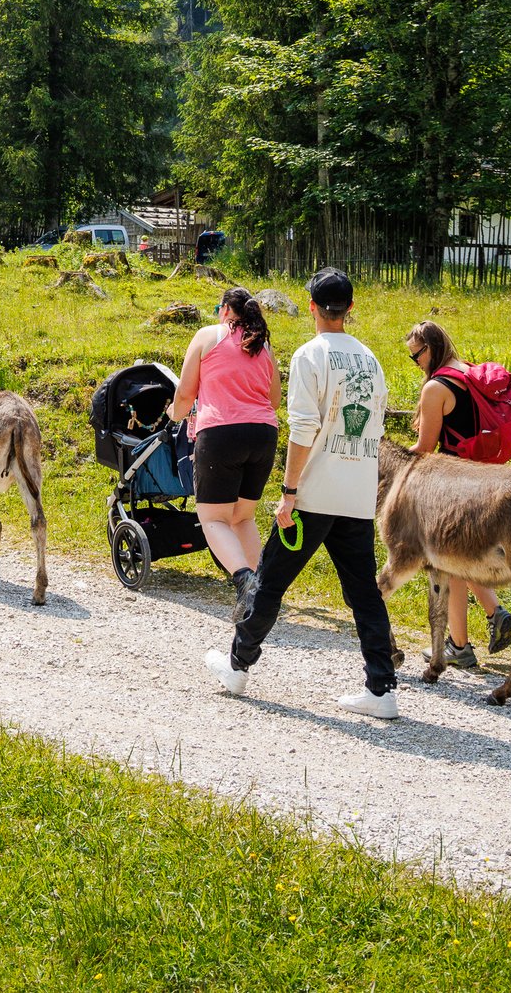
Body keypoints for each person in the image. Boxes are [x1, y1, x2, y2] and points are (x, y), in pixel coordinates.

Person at [205, 268, 401, 717]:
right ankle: (380, 690)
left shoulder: (309, 356)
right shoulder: (370, 360)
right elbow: (376, 425)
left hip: (314, 494)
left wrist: (289, 491)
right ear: (350, 309)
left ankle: (238, 667)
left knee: (270, 582)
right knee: (364, 593)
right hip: (357, 494)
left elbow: (304, 429)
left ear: (311, 306)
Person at [403, 320, 511, 668]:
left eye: (416, 356)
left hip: (455, 486)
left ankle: (460, 644)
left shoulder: (436, 388)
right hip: (487, 479)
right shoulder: (467, 371)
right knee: (459, 560)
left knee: (449, 561)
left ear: (431, 348)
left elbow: (425, 447)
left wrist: (393, 459)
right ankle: (491, 616)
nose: (416, 363)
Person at [169, 285, 279, 622]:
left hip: (221, 433)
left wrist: (173, 413)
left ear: (225, 310)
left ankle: (245, 581)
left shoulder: (207, 336)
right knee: (242, 517)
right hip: (264, 434)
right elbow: (273, 400)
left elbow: (185, 396)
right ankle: (263, 592)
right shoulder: (264, 345)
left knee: (213, 520)